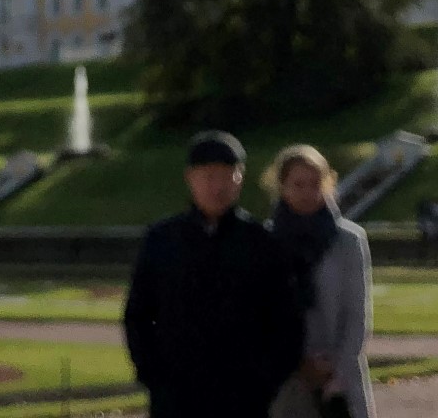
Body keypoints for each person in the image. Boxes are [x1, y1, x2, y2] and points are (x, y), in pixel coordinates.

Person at [123, 130, 303, 418]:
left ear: (240, 178)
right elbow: (138, 315)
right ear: (190, 178)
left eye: (227, 175)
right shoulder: (162, 240)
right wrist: (153, 376)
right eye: (208, 176)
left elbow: (287, 322)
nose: (218, 186)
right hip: (177, 397)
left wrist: (264, 383)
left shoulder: (261, 244)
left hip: (243, 399)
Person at [266, 144, 373, 418]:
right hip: (285, 378)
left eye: (315, 184)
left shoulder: (349, 240)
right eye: (298, 184)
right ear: (282, 187)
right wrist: (299, 363)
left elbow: (357, 314)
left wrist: (337, 370)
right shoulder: (265, 242)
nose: (307, 193)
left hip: (340, 379)